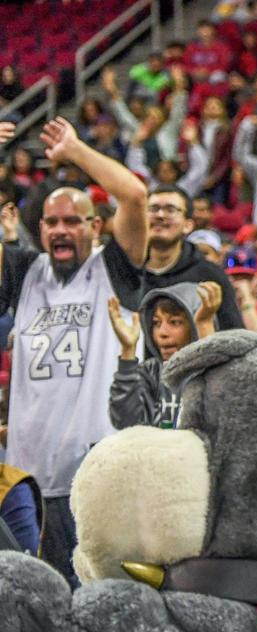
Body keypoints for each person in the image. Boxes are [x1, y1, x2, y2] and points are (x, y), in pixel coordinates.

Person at [0, 117, 148, 586]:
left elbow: (135, 196)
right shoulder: (25, 272)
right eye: (52, 221)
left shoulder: (114, 269)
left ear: (96, 226)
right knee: (36, 608)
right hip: (29, 478)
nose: (61, 230)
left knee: (98, 598)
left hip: (95, 475)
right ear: (39, 228)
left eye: (73, 221)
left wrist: (76, 150)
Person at [108, 282, 222, 429]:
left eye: (175, 322)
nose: (162, 333)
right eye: (156, 323)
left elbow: (220, 414)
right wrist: (128, 350)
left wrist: (205, 326)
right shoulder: (151, 372)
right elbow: (125, 421)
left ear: (194, 324)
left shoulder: (218, 371)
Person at [140, 185, 243, 330]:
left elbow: (234, 335)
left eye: (170, 210)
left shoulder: (209, 275)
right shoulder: (127, 272)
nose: (160, 215)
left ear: (188, 225)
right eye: (153, 209)